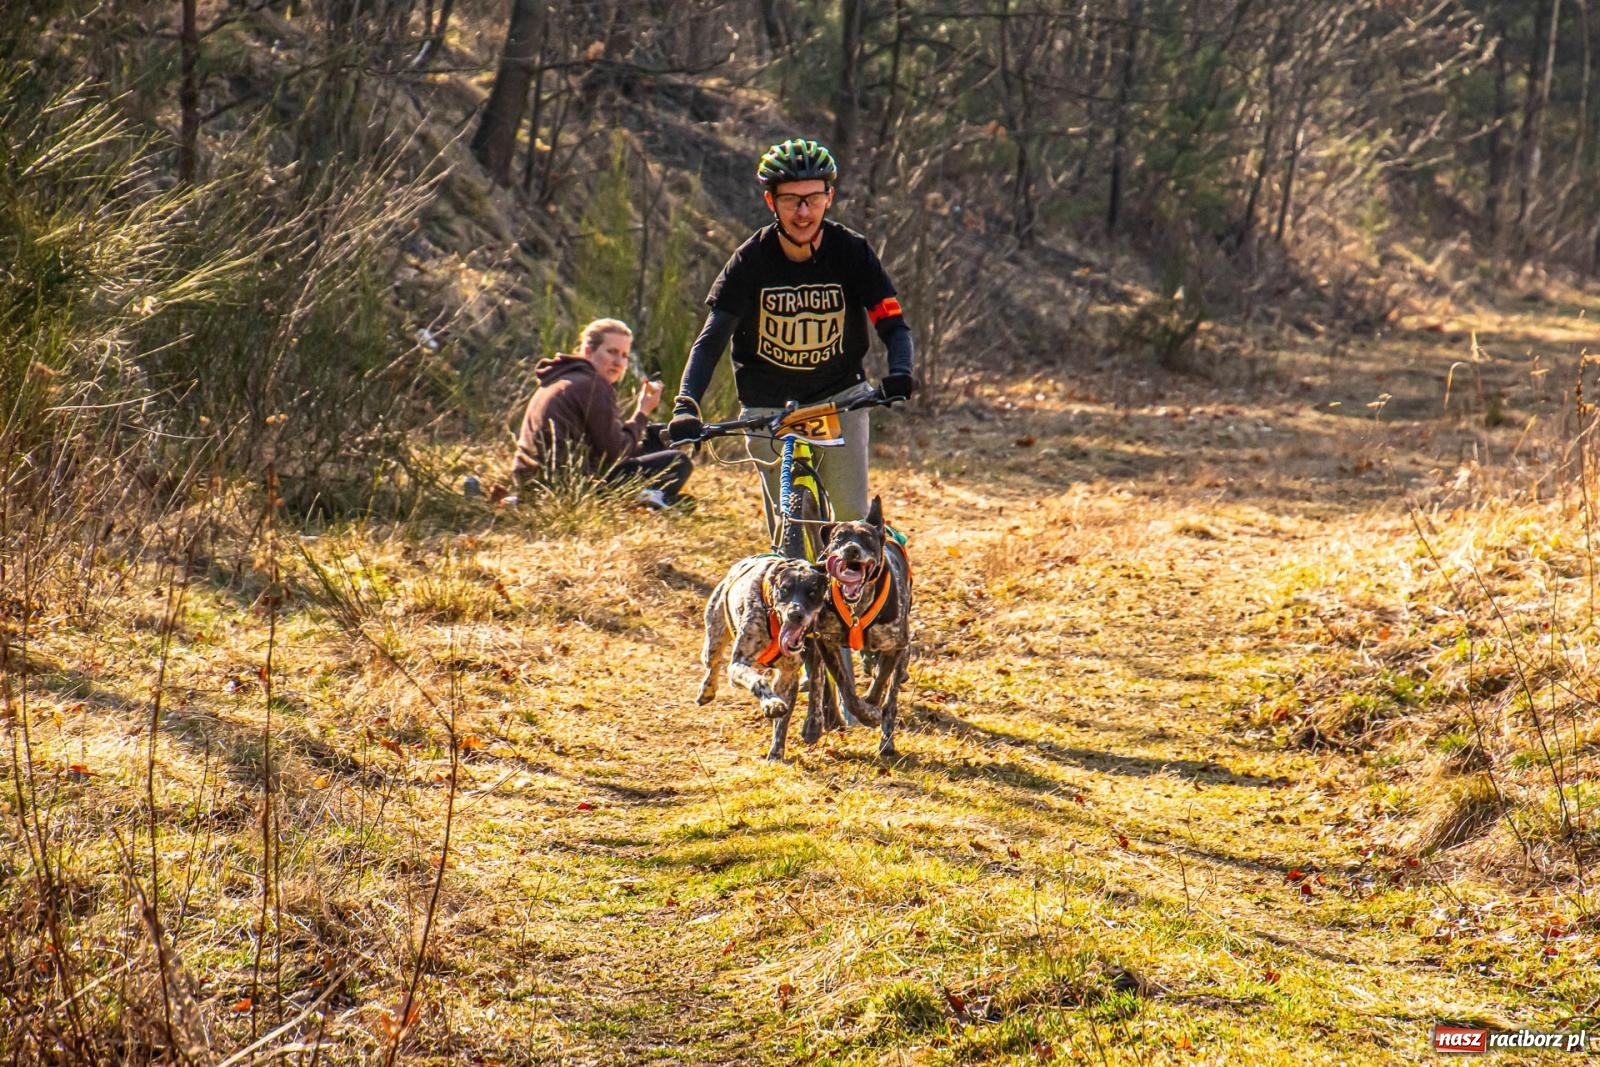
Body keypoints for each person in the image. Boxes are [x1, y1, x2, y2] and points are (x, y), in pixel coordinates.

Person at [666, 137, 914, 524]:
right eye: (790, 200)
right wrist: (686, 405)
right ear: (771, 202)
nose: (803, 212)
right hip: (767, 407)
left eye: (813, 199)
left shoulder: (851, 252)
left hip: (839, 399)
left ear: (829, 197)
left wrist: (900, 372)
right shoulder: (749, 261)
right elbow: (711, 341)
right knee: (789, 527)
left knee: (853, 520)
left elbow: (892, 324)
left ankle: (877, 577)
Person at [512, 318, 692, 508]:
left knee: (659, 436)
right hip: (568, 488)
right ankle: (647, 499)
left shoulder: (562, 378)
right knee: (679, 462)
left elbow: (603, 447)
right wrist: (643, 411)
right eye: (611, 352)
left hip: (533, 485)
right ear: (589, 351)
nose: (618, 362)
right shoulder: (592, 385)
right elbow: (616, 452)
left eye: (624, 355)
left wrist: (642, 424)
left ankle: (655, 498)